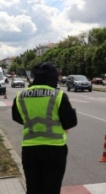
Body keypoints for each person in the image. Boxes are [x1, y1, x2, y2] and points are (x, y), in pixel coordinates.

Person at [12, 62, 77, 194]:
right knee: (52, 189)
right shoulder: (58, 95)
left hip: (30, 149)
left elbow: (17, 117)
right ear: (52, 77)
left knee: (33, 188)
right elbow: (70, 122)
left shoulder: (21, 96)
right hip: (55, 150)